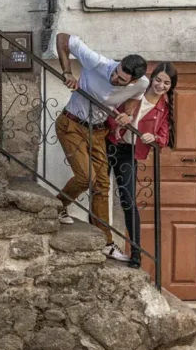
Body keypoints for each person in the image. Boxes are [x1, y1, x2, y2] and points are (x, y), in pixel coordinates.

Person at [54, 32, 149, 262]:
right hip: (72, 124)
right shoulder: (97, 62)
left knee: (102, 185)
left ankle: (105, 242)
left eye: (121, 79)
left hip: (98, 132)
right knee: (86, 177)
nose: (115, 78)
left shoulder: (141, 83)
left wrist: (127, 115)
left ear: (132, 81)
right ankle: (57, 206)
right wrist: (67, 71)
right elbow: (62, 38)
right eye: (116, 73)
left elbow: (136, 97)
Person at [106, 62, 177, 269]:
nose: (161, 85)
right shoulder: (135, 91)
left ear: (171, 86)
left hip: (129, 152)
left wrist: (152, 136)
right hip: (109, 142)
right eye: (158, 80)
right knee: (98, 190)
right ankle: (104, 242)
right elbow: (111, 111)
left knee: (128, 201)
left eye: (167, 83)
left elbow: (163, 139)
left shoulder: (164, 107)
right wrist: (118, 122)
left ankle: (135, 253)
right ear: (151, 78)